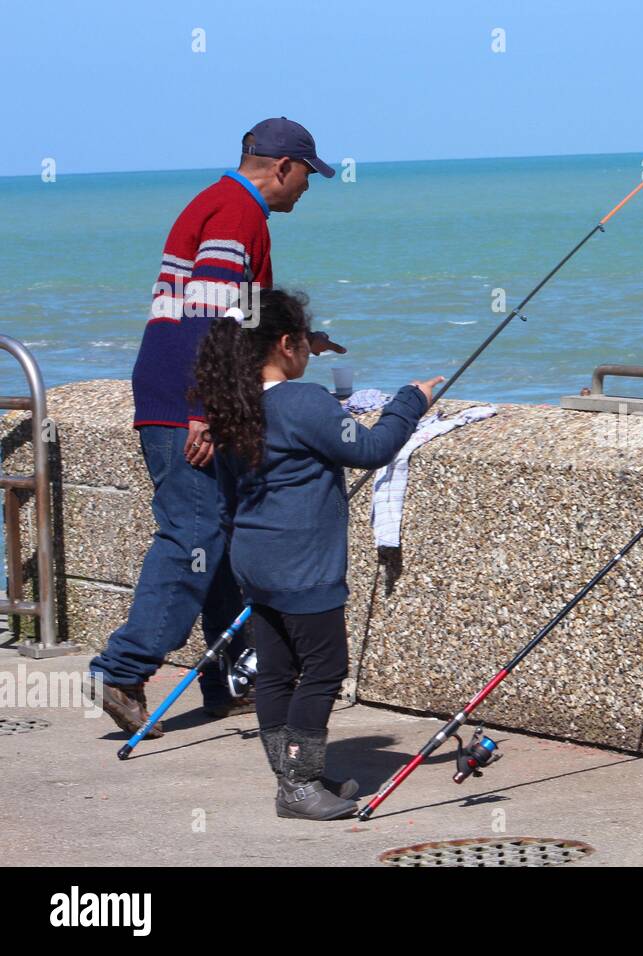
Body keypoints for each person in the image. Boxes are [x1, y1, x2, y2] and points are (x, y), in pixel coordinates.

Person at [89, 118, 344, 736]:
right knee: (194, 535)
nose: (308, 189)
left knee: (225, 537)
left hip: (176, 392)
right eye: (308, 175)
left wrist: (300, 340)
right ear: (281, 166)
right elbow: (210, 319)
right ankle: (122, 670)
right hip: (186, 403)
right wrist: (203, 409)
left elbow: (235, 312)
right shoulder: (238, 213)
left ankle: (231, 678)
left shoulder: (219, 203)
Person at [193, 289, 442, 820]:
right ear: (287, 345)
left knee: (278, 672)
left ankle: (294, 773)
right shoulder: (303, 402)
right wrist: (410, 400)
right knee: (325, 669)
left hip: (255, 563)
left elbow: (227, 497)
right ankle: (299, 785)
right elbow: (371, 449)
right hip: (305, 568)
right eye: (305, 341)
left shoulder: (234, 410)